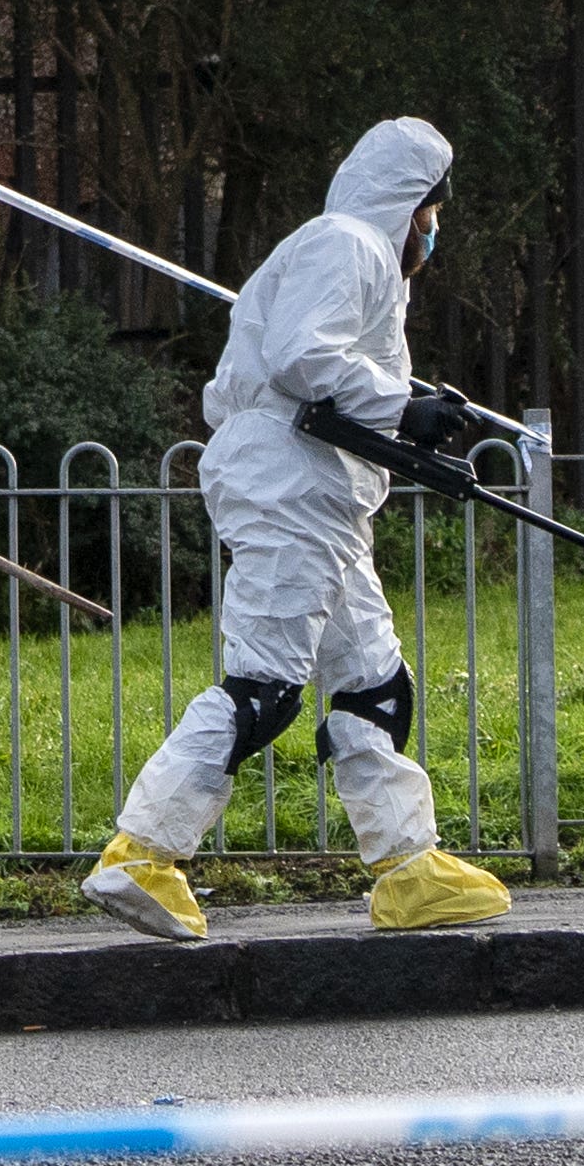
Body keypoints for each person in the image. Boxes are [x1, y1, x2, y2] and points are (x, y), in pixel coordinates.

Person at [84, 118, 509, 940]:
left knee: (373, 683)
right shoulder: (346, 244)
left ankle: (406, 866)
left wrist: (407, 403)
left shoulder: (363, 261)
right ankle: (140, 852)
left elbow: (327, 367)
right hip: (287, 483)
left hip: (323, 493)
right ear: (405, 202)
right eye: (431, 211)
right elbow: (300, 358)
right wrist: (400, 406)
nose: (434, 228)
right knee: (265, 687)